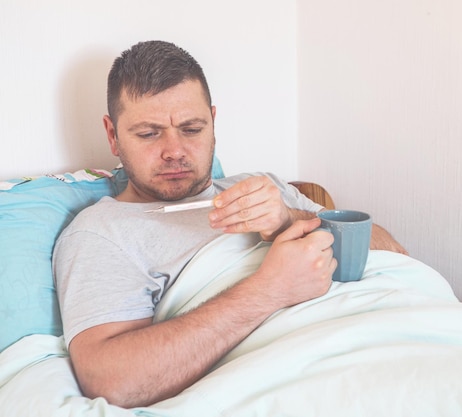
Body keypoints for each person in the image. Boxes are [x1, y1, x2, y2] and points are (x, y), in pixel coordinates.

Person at [53, 40, 407, 408]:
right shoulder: (101, 232)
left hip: (388, 333)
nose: (174, 150)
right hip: (321, 375)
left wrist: (291, 218)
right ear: (112, 135)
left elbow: (397, 253)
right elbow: (115, 382)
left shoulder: (262, 185)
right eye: (149, 133)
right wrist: (271, 289)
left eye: (191, 129)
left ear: (213, 122)